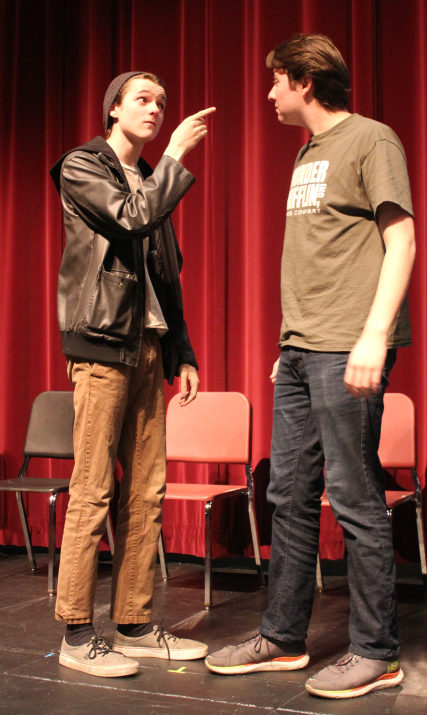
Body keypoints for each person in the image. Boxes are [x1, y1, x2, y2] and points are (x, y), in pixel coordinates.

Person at [205, 34, 416, 700]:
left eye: (274, 81)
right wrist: (287, 345)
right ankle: (281, 636)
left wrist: (372, 337)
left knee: (353, 498)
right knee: (286, 496)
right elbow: (320, 258)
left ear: (301, 80)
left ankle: (376, 650)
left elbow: (401, 239)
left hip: (347, 348)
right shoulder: (306, 154)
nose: (267, 94)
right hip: (300, 351)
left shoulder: (370, 140)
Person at [50, 71, 215, 678]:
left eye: (162, 103)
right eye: (143, 100)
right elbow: (128, 219)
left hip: (147, 347)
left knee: (147, 492)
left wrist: (185, 353)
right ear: (113, 110)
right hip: (100, 347)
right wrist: (173, 157)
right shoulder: (82, 166)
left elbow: (167, 277)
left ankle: (134, 624)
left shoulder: (152, 183)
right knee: (93, 489)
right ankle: (74, 631)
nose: (157, 109)